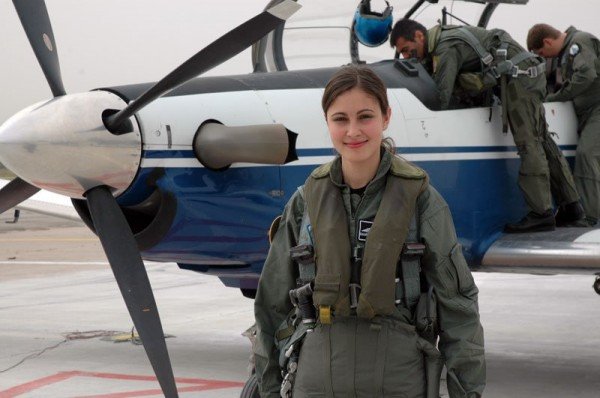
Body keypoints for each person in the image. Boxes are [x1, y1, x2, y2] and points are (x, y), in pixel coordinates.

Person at [253, 65, 485, 398]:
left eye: (365, 116)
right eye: (340, 119)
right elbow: (272, 303)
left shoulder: (422, 201)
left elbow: (458, 306)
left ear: (386, 117)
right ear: (327, 122)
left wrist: (467, 391)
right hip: (317, 376)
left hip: (397, 377)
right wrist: (270, 388)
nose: (353, 131)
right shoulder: (305, 202)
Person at [390, 19, 587, 233]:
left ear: (419, 36)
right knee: (542, 139)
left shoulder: (446, 47)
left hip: (520, 78)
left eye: (408, 51)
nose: (408, 57)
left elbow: (442, 94)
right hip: (524, 74)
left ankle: (541, 213)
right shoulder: (442, 40)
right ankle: (571, 207)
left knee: (529, 142)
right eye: (403, 54)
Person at [528, 24, 600, 226]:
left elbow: (586, 75)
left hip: (597, 110)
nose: (546, 57)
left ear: (547, 42)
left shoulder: (578, 43)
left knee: (587, 154)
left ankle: (591, 219)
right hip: (588, 112)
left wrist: (556, 98)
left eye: (543, 53)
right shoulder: (569, 50)